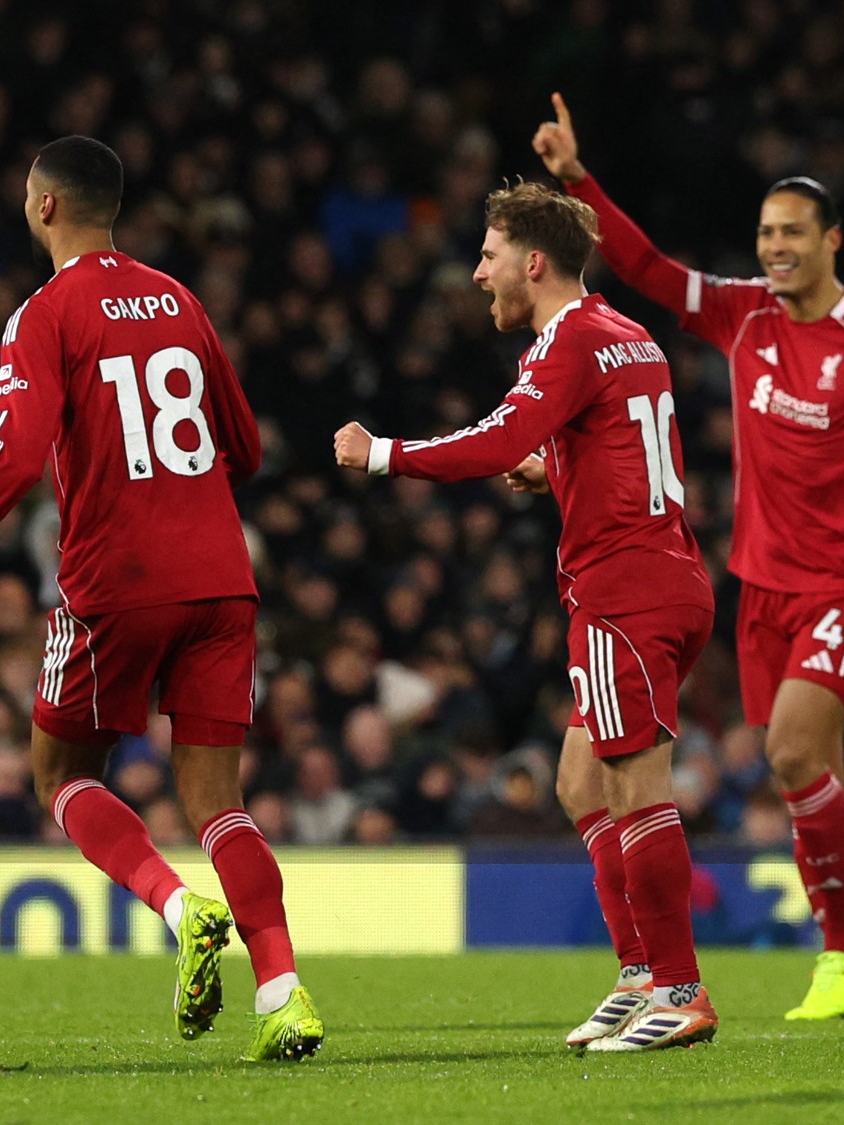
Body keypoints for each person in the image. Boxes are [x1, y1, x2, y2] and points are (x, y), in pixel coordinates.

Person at [0, 136, 323, 1062]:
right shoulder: (180, 298)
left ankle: (181, 909)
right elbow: (246, 447)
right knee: (218, 800)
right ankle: (284, 994)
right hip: (221, 577)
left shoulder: (45, 313)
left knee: (60, 773)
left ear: (44, 207)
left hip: (118, 584)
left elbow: (13, 460)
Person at [534, 93, 844, 1020]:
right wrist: (580, 181)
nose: (775, 246)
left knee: (789, 750)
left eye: (792, 232)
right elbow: (650, 269)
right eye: (765, 232)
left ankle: (843, 954)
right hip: (758, 585)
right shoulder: (743, 315)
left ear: (832, 240)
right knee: (809, 772)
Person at [335, 182, 717, 1052]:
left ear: (533, 262)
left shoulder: (567, 339)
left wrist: (381, 453)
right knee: (581, 783)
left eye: (489, 255)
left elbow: (495, 440)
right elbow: (631, 446)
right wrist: (560, 470)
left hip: (622, 593)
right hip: (666, 579)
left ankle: (681, 988)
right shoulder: (626, 332)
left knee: (637, 790)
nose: (478, 274)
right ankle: (639, 974)